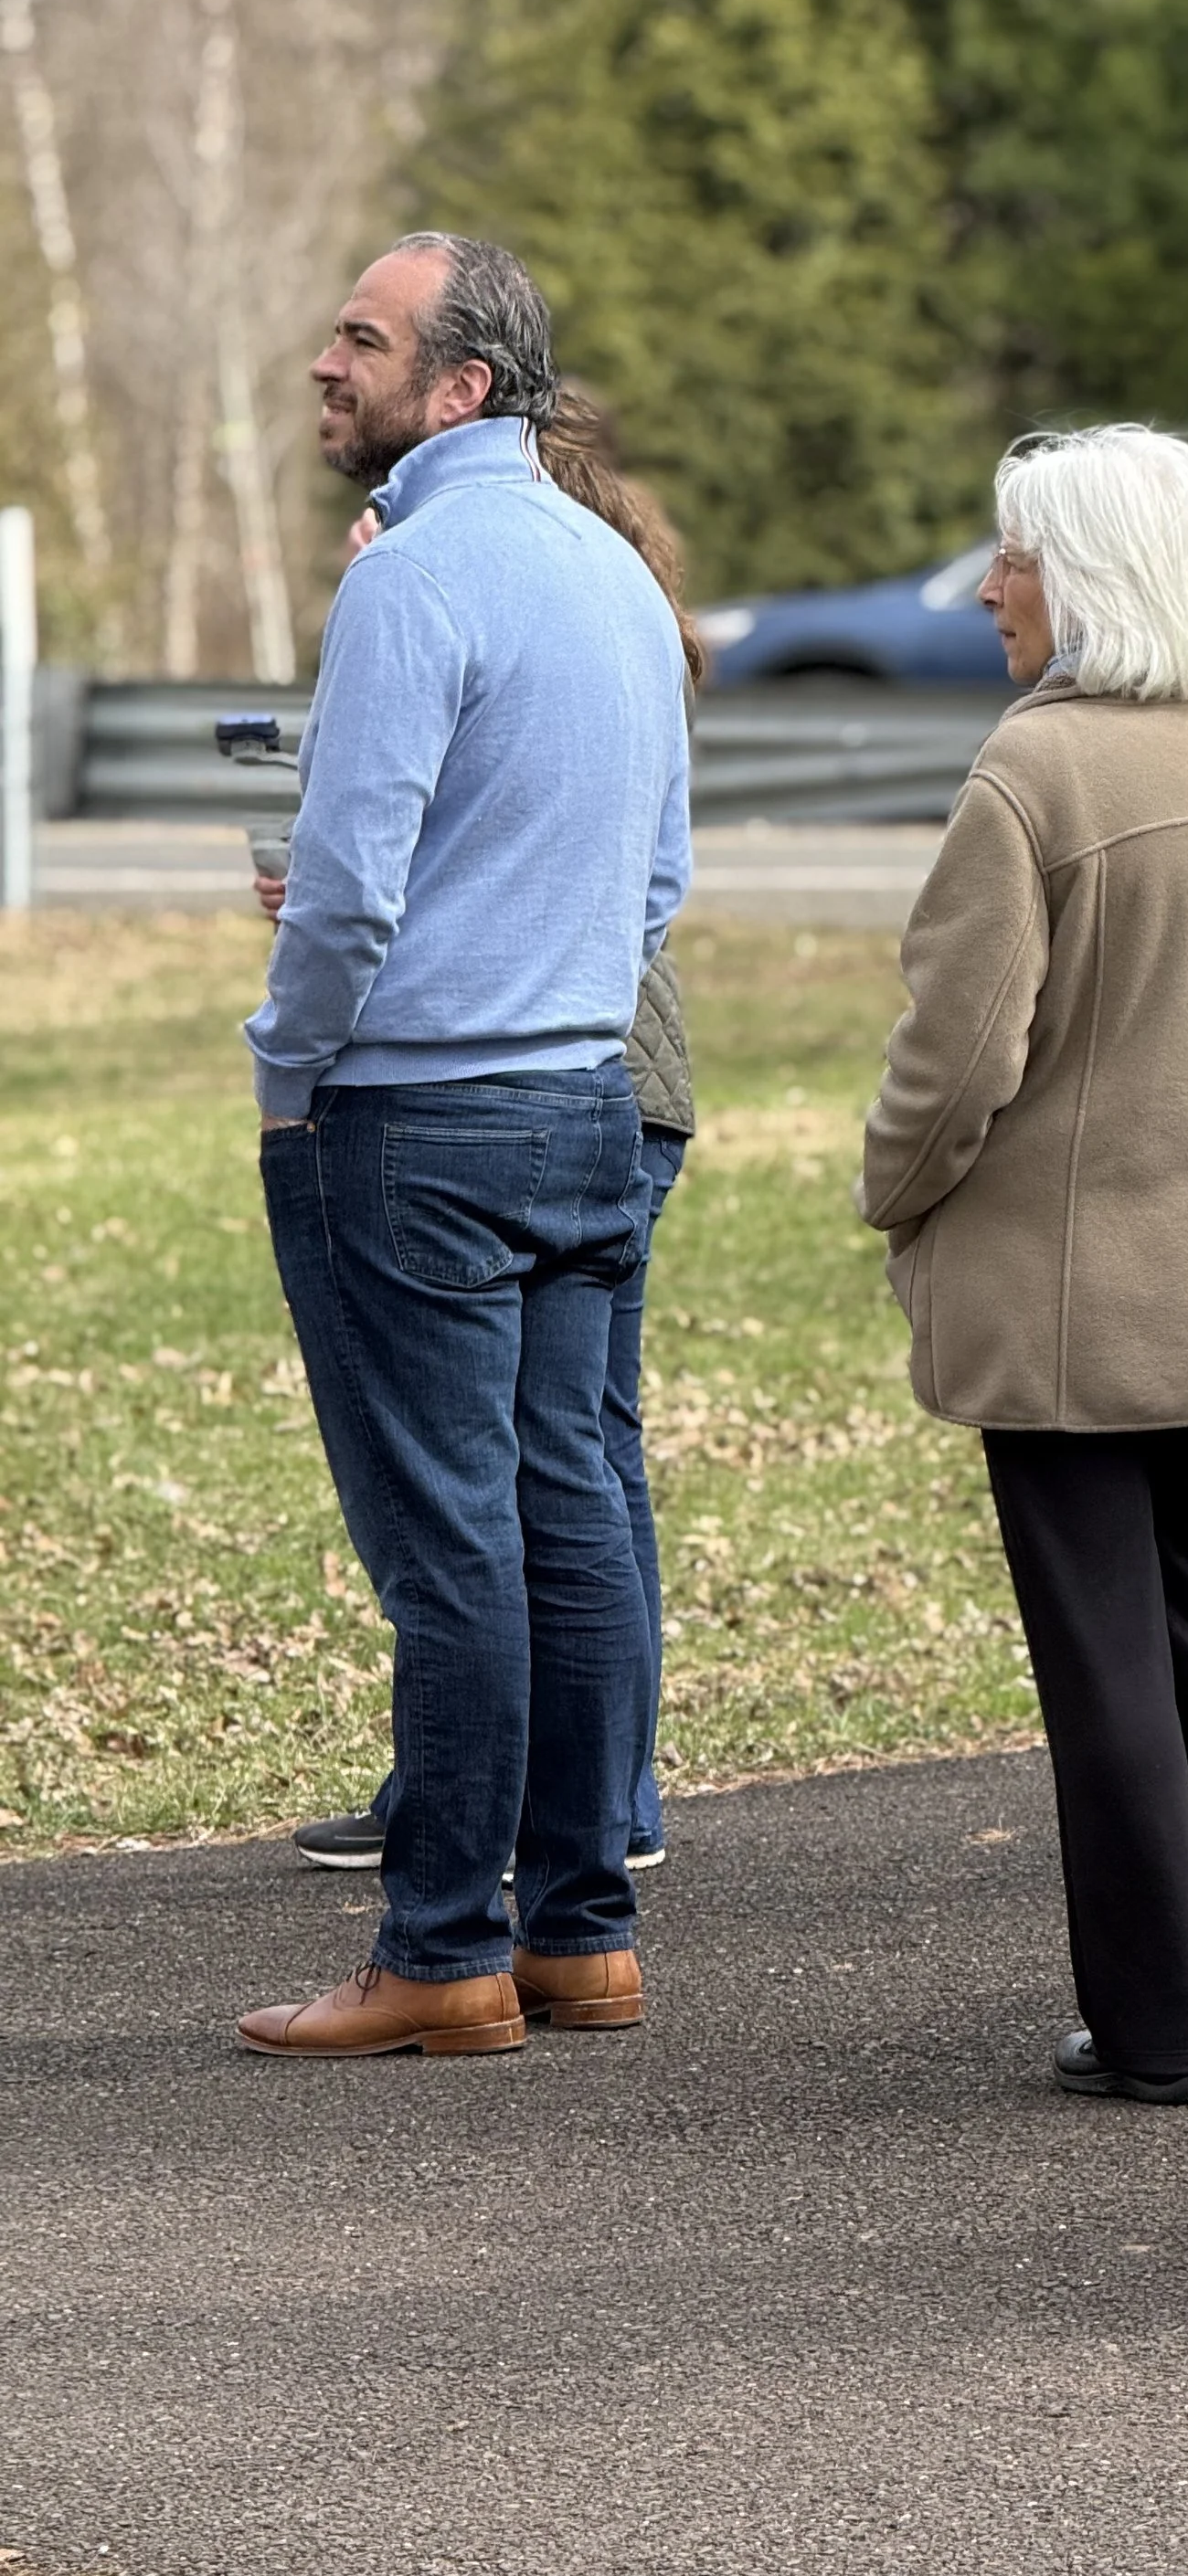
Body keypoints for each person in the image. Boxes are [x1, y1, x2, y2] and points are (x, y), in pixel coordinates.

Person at [859, 424, 1188, 2105]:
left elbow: (957, 1060)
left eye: (1013, 554)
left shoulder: (1032, 778)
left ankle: (1160, 2028)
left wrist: (896, 1193)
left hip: (1061, 1295)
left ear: (1083, 577)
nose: (993, 587)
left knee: (1104, 1661)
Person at [237, 234, 690, 2059]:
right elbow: (661, 878)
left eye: (362, 337)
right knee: (566, 1516)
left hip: (422, 1117)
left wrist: (289, 1052)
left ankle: (439, 1947)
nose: (324, 361)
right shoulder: (611, 574)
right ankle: (581, 1934)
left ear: (463, 386)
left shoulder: (413, 581)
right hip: (588, 1099)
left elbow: (343, 889)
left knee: (452, 1548)